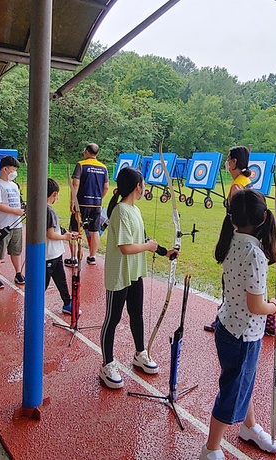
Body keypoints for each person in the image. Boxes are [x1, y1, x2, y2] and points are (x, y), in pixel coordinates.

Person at [200, 189, 276, 460]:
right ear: (263, 218)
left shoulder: (232, 240)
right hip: (242, 335)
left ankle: (248, 426)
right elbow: (256, 306)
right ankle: (211, 448)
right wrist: (275, 305)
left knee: (240, 382)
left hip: (227, 327)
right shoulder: (254, 254)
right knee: (232, 390)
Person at [99, 167, 178, 389]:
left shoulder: (134, 210)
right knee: (112, 319)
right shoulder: (121, 211)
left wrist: (164, 251)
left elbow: (143, 239)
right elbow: (125, 247)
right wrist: (148, 246)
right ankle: (107, 364)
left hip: (134, 273)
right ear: (137, 186)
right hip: (119, 274)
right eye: (143, 184)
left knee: (137, 314)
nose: (144, 188)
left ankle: (140, 353)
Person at [205, 146, 254, 333]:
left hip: (237, 240)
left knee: (230, 280)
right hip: (246, 239)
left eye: (228, 159)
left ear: (234, 162)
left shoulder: (237, 186)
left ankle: (223, 321)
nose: (227, 162)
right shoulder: (246, 181)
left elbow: (236, 218)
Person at [68, 143, 109, 266]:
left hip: (81, 203)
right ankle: (92, 257)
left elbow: (75, 183)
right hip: (96, 205)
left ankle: (74, 258)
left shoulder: (81, 165)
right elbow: (106, 187)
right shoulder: (103, 167)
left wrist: (72, 201)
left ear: (86, 152)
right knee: (94, 231)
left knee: (74, 230)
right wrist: (98, 198)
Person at [0, 156, 24, 289]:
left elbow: (18, 202)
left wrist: (21, 210)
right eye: (13, 170)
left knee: (16, 250)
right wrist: (15, 211)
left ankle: (18, 273)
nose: (14, 173)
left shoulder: (14, 185)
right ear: (5, 169)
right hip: (2, 224)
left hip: (17, 224)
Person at [45, 178, 79, 313]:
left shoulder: (44, 208)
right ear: (54, 194)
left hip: (55, 253)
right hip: (49, 255)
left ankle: (67, 303)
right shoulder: (48, 211)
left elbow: (56, 229)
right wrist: (66, 237)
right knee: (43, 284)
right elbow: (51, 234)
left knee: (61, 281)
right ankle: (34, 308)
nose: (58, 197)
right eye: (57, 194)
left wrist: (68, 232)